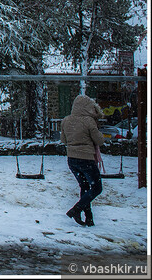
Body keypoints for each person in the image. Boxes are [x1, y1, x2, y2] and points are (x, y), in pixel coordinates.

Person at [60, 94, 106, 227]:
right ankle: (76, 209)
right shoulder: (88, 121)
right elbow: (100, 140)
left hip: (72, 160)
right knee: (96, 188)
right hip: (86, 159)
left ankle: (89, 219)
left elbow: (63, 140)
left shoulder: (66, 120)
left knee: (84, 187)